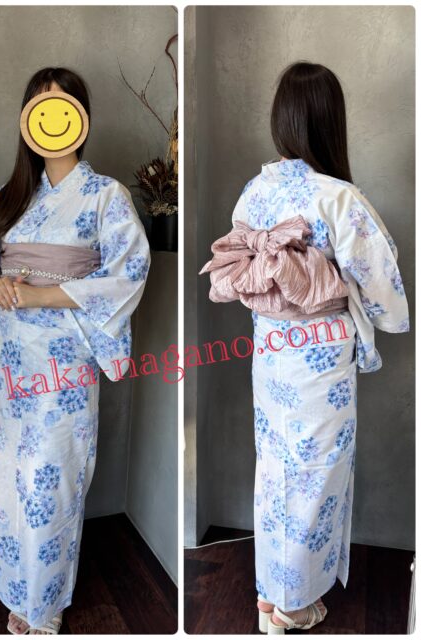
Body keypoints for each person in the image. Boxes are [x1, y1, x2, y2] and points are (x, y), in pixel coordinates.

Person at [200, 61, 409, 633]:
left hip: (271, 348)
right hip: (319, 354)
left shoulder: (256, 191)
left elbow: (242, 264)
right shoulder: (339, 197)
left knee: (277, 468)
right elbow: (379, 278)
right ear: (330, 121)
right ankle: (292, 605)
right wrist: (378, 311)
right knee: (316, 470)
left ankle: (272, 593)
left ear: (283, 120)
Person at [0, 67, 150, 634]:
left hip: (66, 357)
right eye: (40, 107)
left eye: (62, 106)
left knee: (54, 477)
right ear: (27, 120)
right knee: (10, 473)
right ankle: (16, 589)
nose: (52, 118)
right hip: (13, 356)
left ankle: (46, 603)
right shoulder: (6, 199)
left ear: (81, 117)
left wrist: (40, 293)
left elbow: (129, 272)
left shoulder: (105, 196)